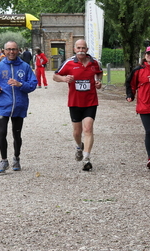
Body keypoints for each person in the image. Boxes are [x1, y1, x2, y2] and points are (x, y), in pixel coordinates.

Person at [0, 41, 38, 173]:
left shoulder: (25, 67)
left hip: (19, 106)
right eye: (8, 49)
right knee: (2, 132)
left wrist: (20, 84)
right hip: (2, 105)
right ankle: (3, 160)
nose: (11, 52)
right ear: (4, 51)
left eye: (14, 49)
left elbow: (33, 84)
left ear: (18, 50)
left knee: (16, 133)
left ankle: (16, 158)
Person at [53, 39, 103, 171]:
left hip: (90, 101)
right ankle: (79, 146)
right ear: (74, 49)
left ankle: (86, 159)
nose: (81, 50)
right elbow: (55, 76)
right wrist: (64, 79)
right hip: (75, 102)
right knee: (77, 132)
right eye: (78, 48)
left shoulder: (94, 62)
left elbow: (99, 72)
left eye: (83, 48)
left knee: (88, 129)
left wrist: (98, 81)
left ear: (87, 49)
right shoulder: (69, 63)